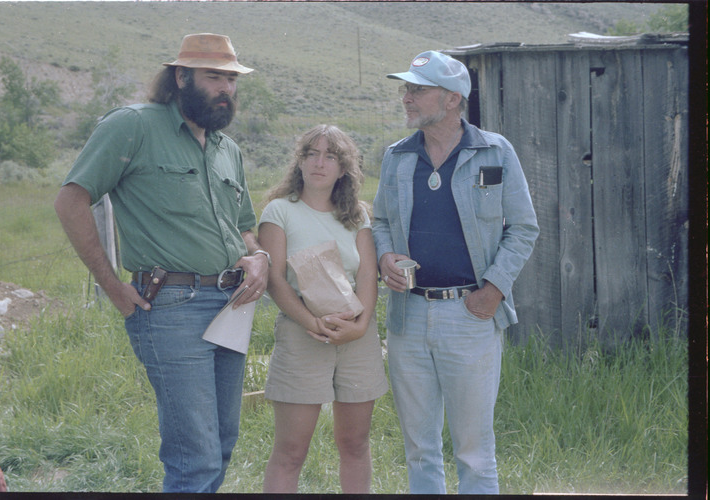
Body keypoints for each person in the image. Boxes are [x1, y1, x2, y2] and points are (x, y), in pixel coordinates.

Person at [53, 33, 270, 493]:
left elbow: (245, 227)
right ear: (181, 76)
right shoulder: (133, 126)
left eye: (232, 79)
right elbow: (71, 199)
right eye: (215, 77)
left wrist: (260, 258)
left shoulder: (226, 148)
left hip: (231, 304)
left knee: (223, 444)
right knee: (196, 456)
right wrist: (112, 286)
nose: (226, 89)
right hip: (171, 305)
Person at [372, 51, 539, 494]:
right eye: (406, 88)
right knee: (419, 448)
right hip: (407, 317)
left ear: (451, 99)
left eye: (416, 89)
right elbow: (381, 221)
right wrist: (384, 256)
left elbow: (524, 227)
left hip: (471, 315)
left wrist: (495, 289)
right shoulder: (398, 157)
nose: (406, 97)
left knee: (474, 449)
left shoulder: (494, 151)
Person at [258, 125, 388, 493]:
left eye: (330, 156)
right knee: (291, 451)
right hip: (302, 333)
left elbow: (366, 272)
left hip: (357, 336)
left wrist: (361, 327)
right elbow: (275, 279)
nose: (319, 163)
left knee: (355, 444)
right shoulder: (279, 211)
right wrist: (311, 322)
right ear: (298, 161)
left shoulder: (358, 215)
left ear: (344, 167)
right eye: (311, 154)